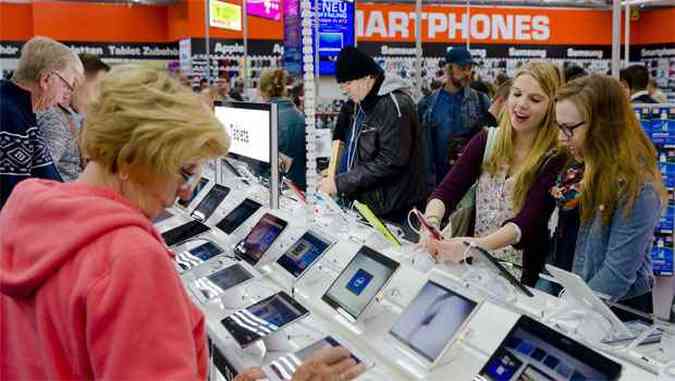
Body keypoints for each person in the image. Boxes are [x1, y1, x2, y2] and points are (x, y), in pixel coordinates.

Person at [0, 65, 365, 381]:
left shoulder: (23, 215)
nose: (183, 194)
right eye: (183, 171)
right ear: (133, 157)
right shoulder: (129, 259)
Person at [421, 62, 567, 286]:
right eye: (516, 94)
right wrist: (430, 224)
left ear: (551, 107)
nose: (521, 105)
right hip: (470, 270)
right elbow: (447, 191)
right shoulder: (487, 140)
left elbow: (527, 222)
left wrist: (477, 246)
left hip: (522, 278)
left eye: (535, 99)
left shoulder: (554, 158)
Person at [548, 74, 666, 314]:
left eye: (569, 128)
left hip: (615, 315)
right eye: (559, 126)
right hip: (575, 301)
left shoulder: (636, 184)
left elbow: (616, 275)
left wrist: (570, 314)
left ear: (603, 124)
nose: (562, 137)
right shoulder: (577, 166)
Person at [318, 46, 426, 229]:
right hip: (371, 207)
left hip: (394, 212)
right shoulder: (363, 104)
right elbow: (357, 150)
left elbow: (390, 161)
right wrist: (337, 174)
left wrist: (340, 183)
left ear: (368, 78)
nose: (344, 90)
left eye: (348, 83)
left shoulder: (394, 105)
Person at [0, 36, 83, 209]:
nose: (66, 96)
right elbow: (14, 201)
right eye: (68, 86)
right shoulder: (11, 118)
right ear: (46, 80)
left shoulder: (19, 109)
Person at [422, 46, 492, 188]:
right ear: (449, 68)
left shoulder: (480, 100)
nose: (468, 73)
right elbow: (423, 148)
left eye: (470, 68)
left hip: (472, 182)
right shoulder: (428, 104)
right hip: (439, 183)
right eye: (462, 68)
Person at [39, 53, 110, 181]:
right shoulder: (55, 118)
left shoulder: (73, 118)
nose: (102, 97)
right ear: (77, 81)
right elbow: (40, 175)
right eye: (100, 88)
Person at [259, 68, 307, 189]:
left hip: (273, 190)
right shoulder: (300, 116)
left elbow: (258, 166)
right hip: (299, 190)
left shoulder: (263, 118)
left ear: (262, 90)